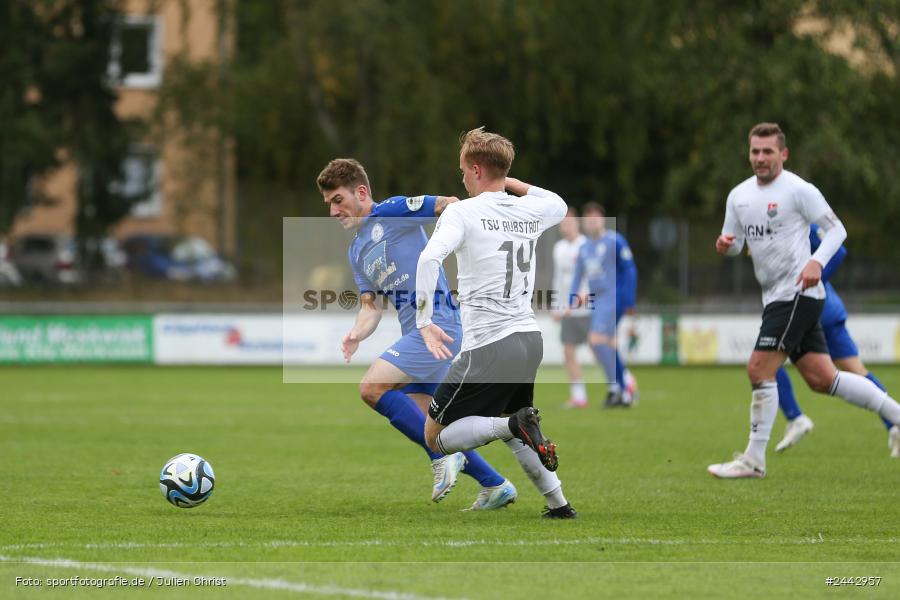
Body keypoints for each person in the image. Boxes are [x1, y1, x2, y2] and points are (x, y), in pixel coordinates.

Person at [317, 158, 517, 510]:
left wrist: (452, 245)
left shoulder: (392, 211)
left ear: (361, 192)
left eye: (337, 200)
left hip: (439, 325)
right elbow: (371, 307)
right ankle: (495, 484)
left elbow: (449, 204)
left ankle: (442, 457)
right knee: (431, 425)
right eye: (328, 204)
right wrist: (356, 334)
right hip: (420, 334)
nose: (333, 211)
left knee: (371, 389)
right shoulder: (355, 250)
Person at [708, 122, 900, 479]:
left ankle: (753, 460)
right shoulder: (738, 196)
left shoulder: (799, 190)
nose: (760, 158)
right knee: (823, 378)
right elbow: (735, 244)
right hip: (777, 297)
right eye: (755, 151)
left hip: (796, 294)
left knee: (758, 368)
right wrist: (726, 246)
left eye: (768, 151)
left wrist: (816, 261)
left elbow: (836, 231)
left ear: (783, 154)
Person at [415, 127, 577, 518]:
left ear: (474, 169)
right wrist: (510, 181)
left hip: (489, 345)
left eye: (462, 171)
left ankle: (512, 425)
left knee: (435, 438)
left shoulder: (462, 212)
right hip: (529, 339)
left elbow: (428, 259)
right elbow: (558, 202)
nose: (462, 179)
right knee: (519, 430)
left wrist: (424, 320)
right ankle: (559, 505)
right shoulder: (530, 209)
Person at [774, 224, 899, 456]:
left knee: (765, 360)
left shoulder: (798, 216)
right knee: (856, 371)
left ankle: (795, 418)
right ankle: (894, 424)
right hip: (827, 309)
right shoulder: (771, 217)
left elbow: (838, 251)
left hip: (809, 308)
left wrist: (813, 281)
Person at [568, 203, 639, 407]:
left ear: (602, 219)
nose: (592, 221)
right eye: (588, 219)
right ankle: (621, 387)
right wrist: (572, 297)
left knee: (596, 340)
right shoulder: (584, 248)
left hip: (613, 297)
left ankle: (620, 388)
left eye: (595, 217)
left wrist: (629, 300)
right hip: (596, 300)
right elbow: (577, 275)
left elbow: (630, 270)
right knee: (603, 344)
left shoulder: (614, 241)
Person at [551, 208, 591, 407]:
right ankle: (579, 396)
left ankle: (624, 381)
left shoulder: (586, 245)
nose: (566, 227)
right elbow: (558, 279)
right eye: (563, 224)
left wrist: (586, 296)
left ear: (577, 223)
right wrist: (556, 306)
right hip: (568, 310)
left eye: (569, 223)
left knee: (600, 348)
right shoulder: (558, 248)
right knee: (568, 351)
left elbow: (593, 276)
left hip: (589, 308)